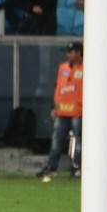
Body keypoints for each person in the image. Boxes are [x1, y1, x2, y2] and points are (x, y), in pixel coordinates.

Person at [37, 42, 83, 181]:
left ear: (78, 52)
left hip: (78, 111)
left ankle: (77, 166)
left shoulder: (87, 69)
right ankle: (51, 166)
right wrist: (54, 107)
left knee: (80, 141)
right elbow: (58, 88)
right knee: (57, 141)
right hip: (62, 112)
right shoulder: (63, 68)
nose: (68, 54)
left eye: (70, 51)